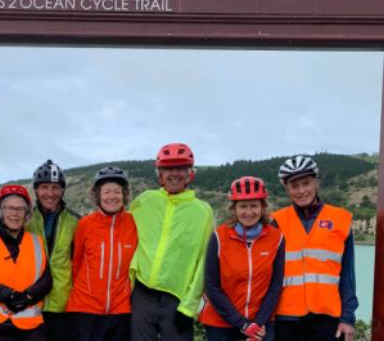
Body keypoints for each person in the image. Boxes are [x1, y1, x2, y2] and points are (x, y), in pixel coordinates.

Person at [129, 142, 214, 341]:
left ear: (190, 173)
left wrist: (189, 307)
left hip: (177, 299)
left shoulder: (203, 211)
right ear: (160, 173)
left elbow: (204, 261)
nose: (174, 173)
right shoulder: (144, 201)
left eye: (181, 167)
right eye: (168, 168)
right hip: (142, 295)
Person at [272, 155, 358, 341]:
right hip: (286, 319)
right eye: (295, 186)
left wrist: (348, 318)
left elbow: (347, 276)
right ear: (287, 189)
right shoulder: (276, 222)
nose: (301, 190)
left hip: (327, 318)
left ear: (316, 183)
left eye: (306, 183)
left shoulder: (341, 220)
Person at [199, 176, 285, 341]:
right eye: (243, 206)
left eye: (254, 206)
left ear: (263, 207)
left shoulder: (277, 238)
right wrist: (243, 325)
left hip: (261, 325)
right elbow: (212, 286)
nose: (249, 212)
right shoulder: (219, 237)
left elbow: (275, 285)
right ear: (234, 209)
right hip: (221, 324)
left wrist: (257, 324)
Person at [0, 184, 53, 341]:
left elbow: (46, 280)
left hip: (30, 326)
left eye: (20, 209)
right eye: (9, 208)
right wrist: (10, 296)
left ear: (27, 213)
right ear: (0, 210)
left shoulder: (36, 241)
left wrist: (27, 297)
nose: (15, 213)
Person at [66, 166, 138, 341]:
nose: (112, 197)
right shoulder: (85, 224)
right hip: (85, 308)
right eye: (106, 192)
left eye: (117, 192)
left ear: (124, 195)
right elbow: (76, 263)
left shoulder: (133, 223)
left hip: (121, 309)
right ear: (97, 195)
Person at [25, 159, 80, 341]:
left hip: (63, 304)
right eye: (44, 187)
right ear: (36, 190)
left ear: (63, 190)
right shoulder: (24, 220)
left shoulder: (76, 222)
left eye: (55, 188)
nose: (50, 193)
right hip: (30, 302)